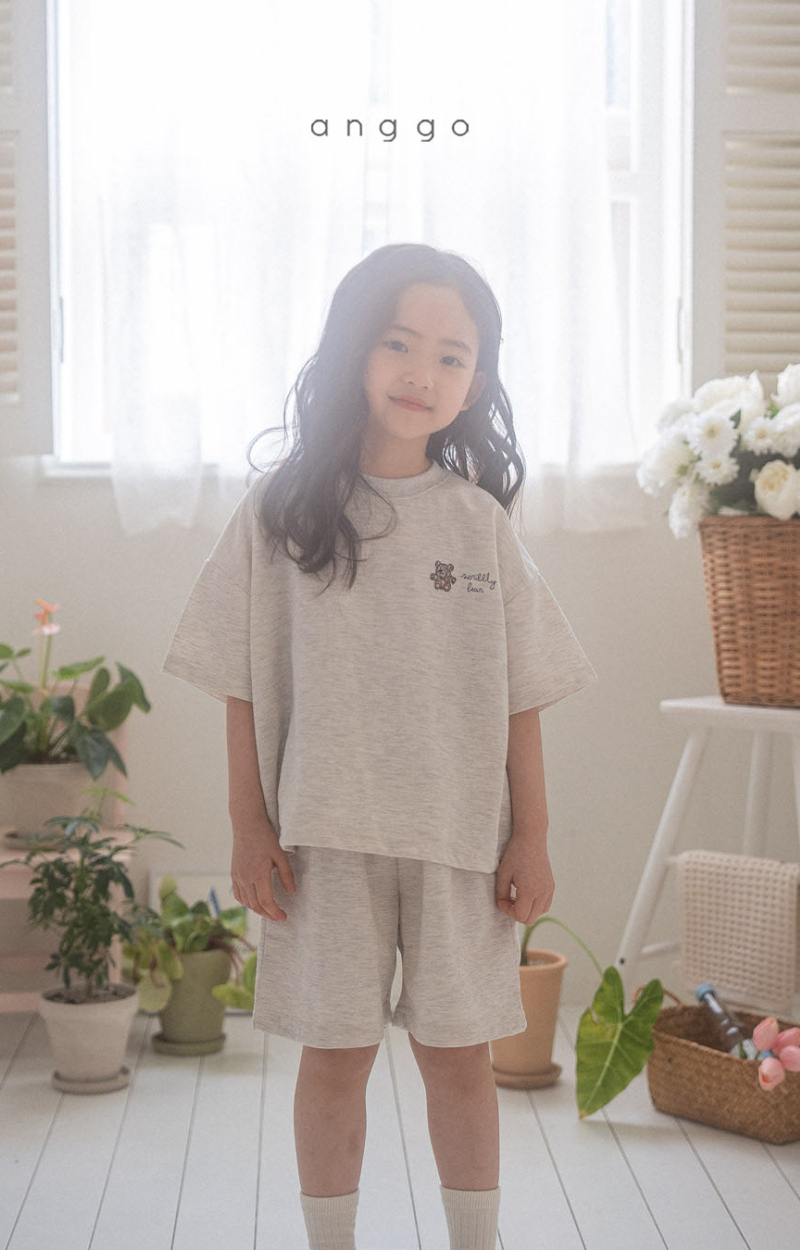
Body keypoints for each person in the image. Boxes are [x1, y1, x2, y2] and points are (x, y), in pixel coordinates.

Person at [162, 242, 599, 1250]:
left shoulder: (480, 524)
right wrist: (248, 828)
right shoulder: (280, 513)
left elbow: (523, 697)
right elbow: (237, 681)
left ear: (474, 382)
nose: (421, 372)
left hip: (460, 841)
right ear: (355, 349)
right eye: (399, 342)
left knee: (459, 1060)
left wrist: (532, 836)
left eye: (452, 355)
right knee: (335, 1059)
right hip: (322, 838)